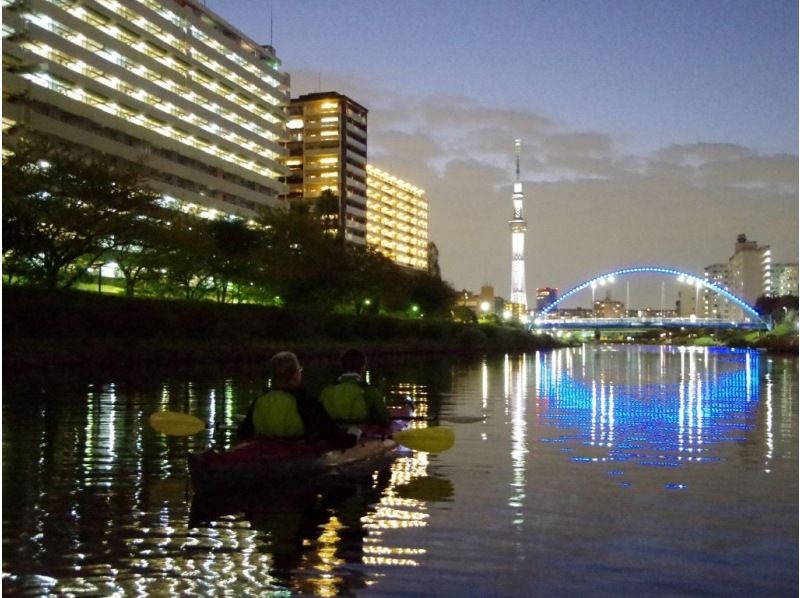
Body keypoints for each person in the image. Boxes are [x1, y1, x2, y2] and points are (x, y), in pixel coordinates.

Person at [238, 351, 356, 449]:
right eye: (300, 370)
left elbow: (243, 432)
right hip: (296, 451)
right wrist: (354, 435)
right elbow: (334, 437)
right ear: (295, 374)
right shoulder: (307, 402)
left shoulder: (260, 401)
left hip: (264, 449)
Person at [320, 349, 391, 426]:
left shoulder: (326, 391)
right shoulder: (370, 391)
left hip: (332, 435)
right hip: (359, 435)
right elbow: (385, 418)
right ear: (363, 368)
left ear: (342, 366)